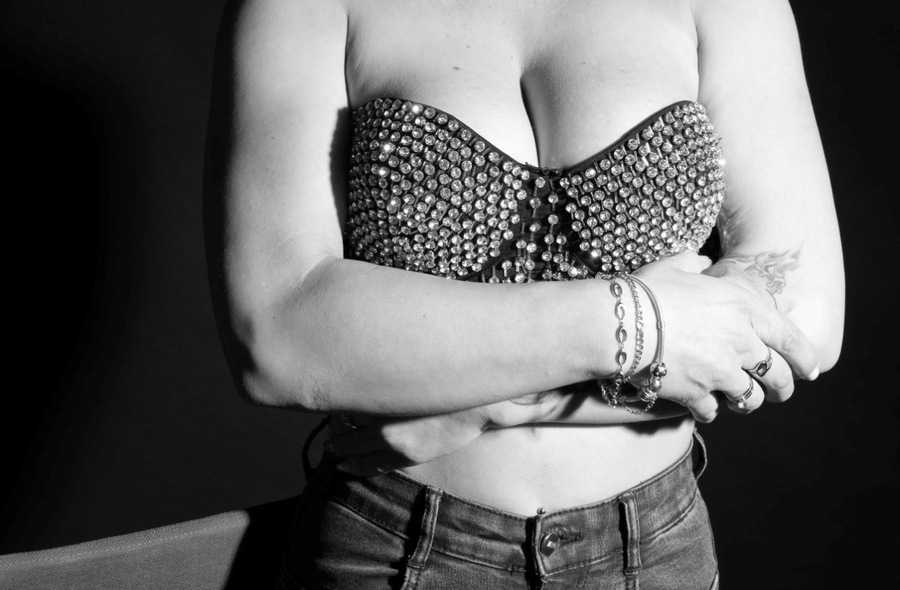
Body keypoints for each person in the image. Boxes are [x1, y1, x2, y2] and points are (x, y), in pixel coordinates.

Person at [202, 0, 844, 587]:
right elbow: (277, 332)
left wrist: (492, 405)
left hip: (654, 551)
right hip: (388, 546)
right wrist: (645, 323)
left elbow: (802, 318)